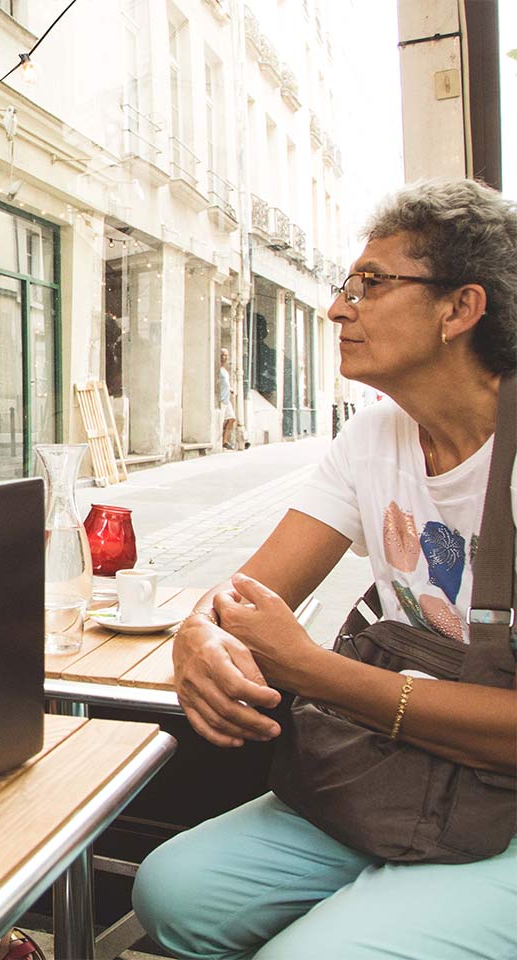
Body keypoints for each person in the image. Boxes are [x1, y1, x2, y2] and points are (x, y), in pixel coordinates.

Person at [133, 178, 517, 958]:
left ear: (460, 309)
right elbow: (247, 594)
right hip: (403, 769)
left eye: (371, 285)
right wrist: (198, 637)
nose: (340, 308)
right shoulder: (373, 437)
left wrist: (312, 670)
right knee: (169, 892)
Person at [217, 348, 238, 449]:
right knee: (221, 421)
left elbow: (225, 383)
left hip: (226, 398)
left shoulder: (225, 371)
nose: (224, 357)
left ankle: (224, 441)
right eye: (222, 355)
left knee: (232, 419)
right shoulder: (218, 370)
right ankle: (219, 441)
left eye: (226, 355)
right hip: (221, 399)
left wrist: (230, 389)